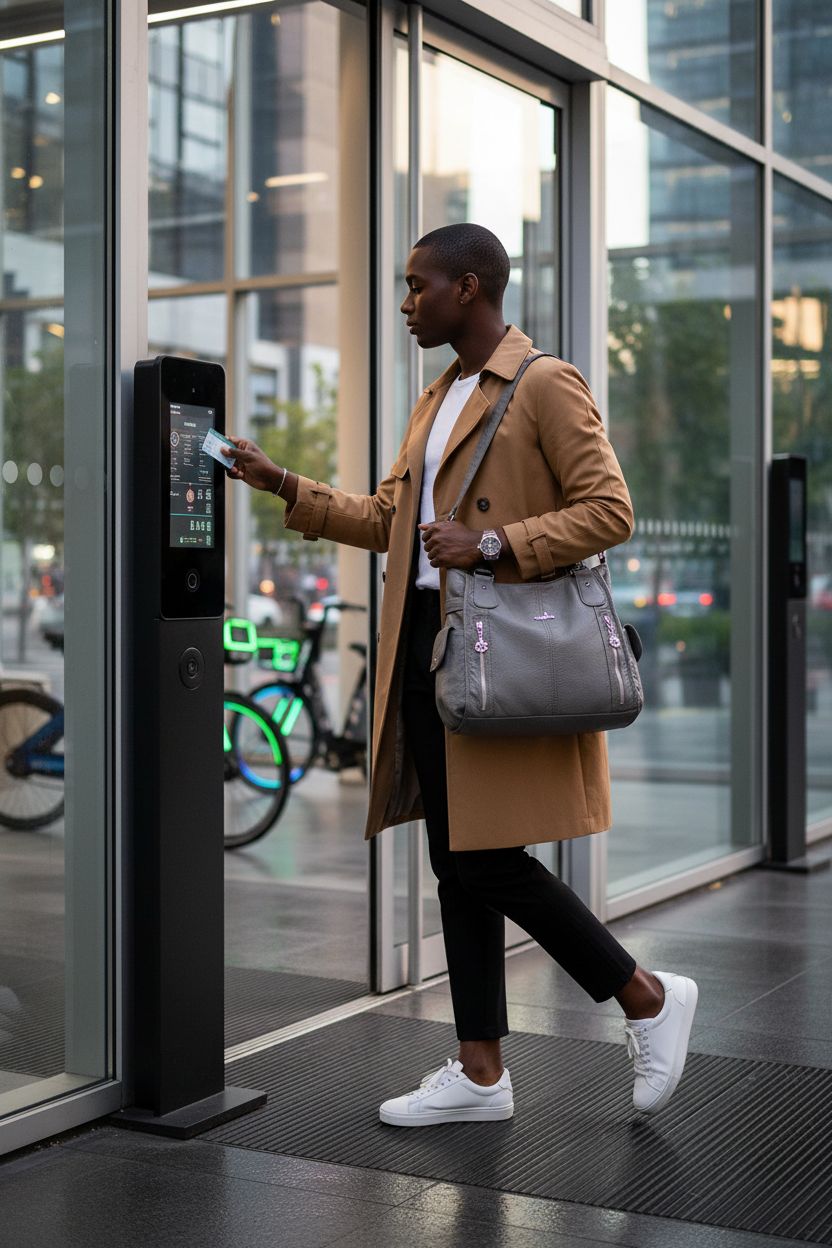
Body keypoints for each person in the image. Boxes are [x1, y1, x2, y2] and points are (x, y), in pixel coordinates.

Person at [224, 222, 698, 1127]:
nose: (406, 304)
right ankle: (481, 1072)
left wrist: (490, 545)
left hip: (495, 649)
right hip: (429, 647)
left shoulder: (545, 383)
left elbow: (611, 509)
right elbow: (389, 523)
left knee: (487, 859)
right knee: (457, 861)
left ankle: (643, 993)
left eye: (418, 287)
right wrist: (282, 483)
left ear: (470, 287)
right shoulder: (436, 396)